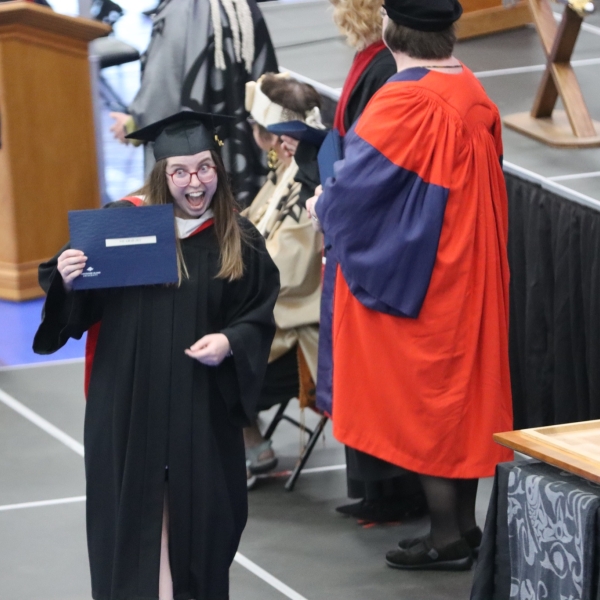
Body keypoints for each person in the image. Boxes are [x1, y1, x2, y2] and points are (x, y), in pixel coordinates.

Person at [33, 112, 280, 599]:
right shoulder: (121, 224)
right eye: (181, 170)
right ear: (161, 175)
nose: (195, 181)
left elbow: (258, 313)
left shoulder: (238, 238)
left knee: (201, 521)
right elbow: (76, 309)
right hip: (130, 405)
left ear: (219, 171)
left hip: (200, 407)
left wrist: (230, 341)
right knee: (137, 521)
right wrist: (66, 278)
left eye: (205, 168)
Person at [307, 0, 514, 571]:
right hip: (472, 266)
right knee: (462, 402)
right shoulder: (470, 87)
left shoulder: (403, 100)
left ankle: (448, 536)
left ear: (389, 30)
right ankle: (464, 527)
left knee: (428, 404)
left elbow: (355, 192)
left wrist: (324, 204)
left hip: (429, 276)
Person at [329, 0, 426, 524]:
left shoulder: (385, 69)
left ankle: (396, 494)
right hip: (358, 225)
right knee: (363, 372)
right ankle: (376, 492)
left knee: (382, 375)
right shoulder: (370, 61)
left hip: (378, 238)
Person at [109, 0, 278, 206]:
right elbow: (268, 81)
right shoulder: (242, 7)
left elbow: (163, 86)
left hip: (194, 162)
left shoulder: (181, 9)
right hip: (242, 149)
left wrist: (134, 123)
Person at [241, 73, 324, 476]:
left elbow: (285, 274)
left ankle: (248, 442)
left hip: (296, 330)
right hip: (274, 316)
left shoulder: (306, 183)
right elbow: (252, 224)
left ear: (274, 138)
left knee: (204, 350)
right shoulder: (287, 171)